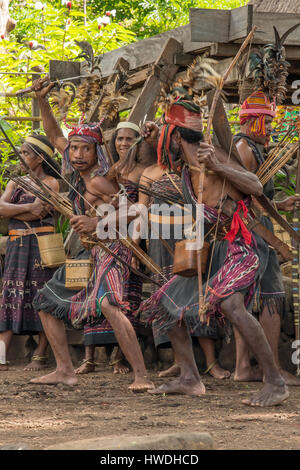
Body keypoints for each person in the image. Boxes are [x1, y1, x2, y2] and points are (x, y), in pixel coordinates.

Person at [138, 96, 289, 407]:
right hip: (212, 248)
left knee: (232, 305)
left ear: (177, 138)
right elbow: (142, 160)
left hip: (240, 247)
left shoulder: (215, 155)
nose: (163, 146)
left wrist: (219, 164)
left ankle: (275, 382)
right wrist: (151, 132)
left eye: (166, 138)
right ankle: (191, 379)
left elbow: (255, 186)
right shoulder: (187, 167)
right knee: (165, 305)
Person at [29, 78, 154, 390]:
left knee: (110, 306)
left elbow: (135, 209)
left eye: (86, 148)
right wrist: (42, 100)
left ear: (97, 152)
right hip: (90, 252)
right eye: (74, 148)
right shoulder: (75, 172)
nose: (78, 153)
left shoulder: (99, 181)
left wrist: (97, 223)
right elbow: (55, 134)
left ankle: (142, 376)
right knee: (46, 303)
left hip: (113, 250)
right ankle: (64, 370)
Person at [136, 129, 230, 380]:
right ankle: (181, 362)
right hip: (159, 242)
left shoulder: (192, 169)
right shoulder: (149, 173)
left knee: (197, 294)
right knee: (168, 299)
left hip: (191, 237)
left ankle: (211, 363)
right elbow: (140, 212)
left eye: (170, 141)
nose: (167, 147)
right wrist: (135, 245)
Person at [76, 121, 156, 375]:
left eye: (130, 138)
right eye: (119, 138)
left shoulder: (145, 171)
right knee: (97, 295)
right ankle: (90, 357)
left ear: (139, 142)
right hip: (103, 240)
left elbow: (139, 211)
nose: (123, 143)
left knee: (125, 298)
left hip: (130, 239)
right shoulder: (111, 169)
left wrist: (135, 247)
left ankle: (120, 358)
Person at [234, 89, 300, 386]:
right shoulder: (245, 149)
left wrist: (280, 206)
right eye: (268, 123)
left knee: (245, 300)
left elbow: (255, 197)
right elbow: (243, 200)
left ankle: (243, 368)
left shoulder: (248, 147)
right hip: (252, 232)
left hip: (254, 230)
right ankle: (271, 369)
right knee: (270, 296)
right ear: (255, 122)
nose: (272, 129)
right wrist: (272, 237)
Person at [0, 134, 60, 371]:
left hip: (40, 246)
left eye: (26, 153)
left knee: (41, 294)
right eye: (22, 153)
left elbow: (40, 212)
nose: (22, 158)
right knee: (10, 296)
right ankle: (2, 354)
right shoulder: (16, 182)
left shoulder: (52, 183)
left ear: (40, 158)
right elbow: (3, 209)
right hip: (17, 245)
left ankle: (40, 354)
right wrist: (26, 208)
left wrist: (13, 211)